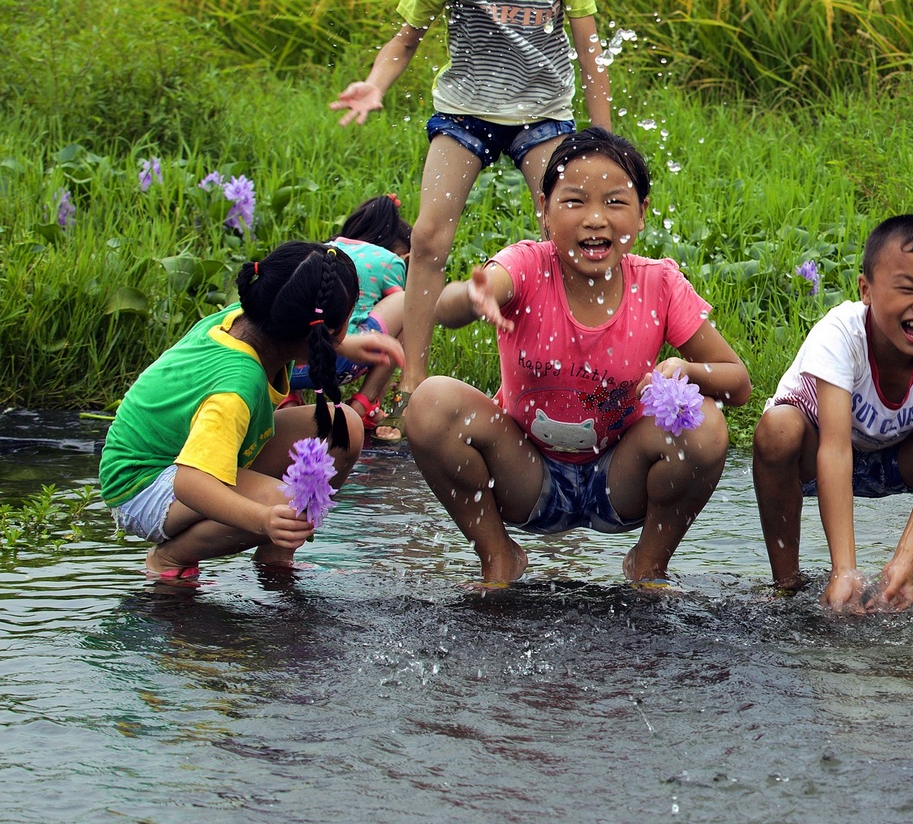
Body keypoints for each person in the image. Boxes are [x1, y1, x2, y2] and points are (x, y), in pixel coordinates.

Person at [329, 0, 612, 393]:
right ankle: (411, 380)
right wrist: (375, 84)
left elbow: (590, 52)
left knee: (569, 233)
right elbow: (404, 40)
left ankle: (564, 371)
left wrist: (603, 141)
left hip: (542, 113)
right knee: (430, 238)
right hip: (465, 112)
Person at [403, 129, 750, 587]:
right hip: (525, 474)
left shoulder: (659, 285)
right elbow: (450, 308)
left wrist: (686, 370)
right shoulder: (527, 266)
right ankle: (498, 558)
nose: (595, 220)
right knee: (430, 403)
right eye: (573, 202)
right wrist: (473, 297)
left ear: (643, 214)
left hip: (617, 477)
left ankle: (648, 564)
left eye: (614, 202)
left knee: (704, 424)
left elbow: (738, 383)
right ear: (542, 210)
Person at [752, 215, 913, 612]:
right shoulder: (840, 333)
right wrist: (844, 571)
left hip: (893, 456)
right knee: (778, 428)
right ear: (866, 290)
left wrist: (902, 560)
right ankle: (786, 585)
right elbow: (835, 451)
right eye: (906, 289)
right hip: (815, 457)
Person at [100, 242, 377, 584]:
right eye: (344, 326)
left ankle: (275, 554)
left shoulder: (250, 320)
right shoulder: (235, 388)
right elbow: (190, 482)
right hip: (145, 486)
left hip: (187, 453)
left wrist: (345, 346)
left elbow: (299, 334)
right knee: (293, 507)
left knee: (341, 428)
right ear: (317, 333)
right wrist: (263, 520)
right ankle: (171, 557)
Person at [288, 194, 410, 438]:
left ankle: (289, 400)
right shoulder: (390, 261)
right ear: (404, 254)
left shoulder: (318, 251)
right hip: (342, 359)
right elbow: (400, 324)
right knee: (410, 307)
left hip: (290, 364)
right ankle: (365, 405)